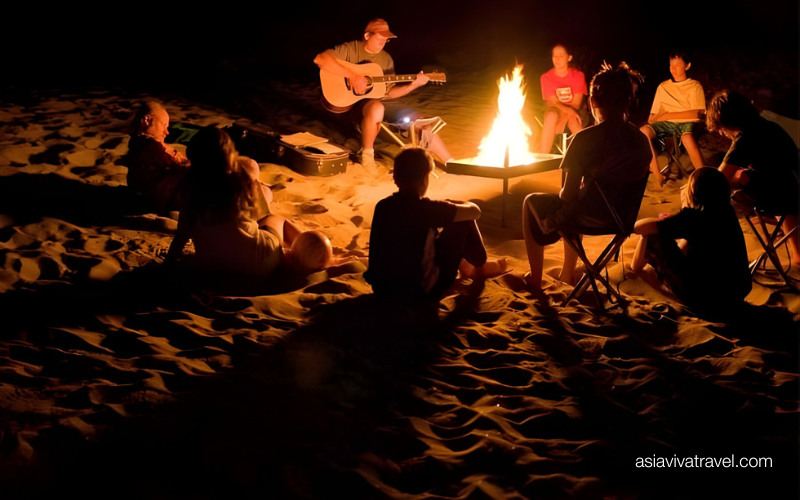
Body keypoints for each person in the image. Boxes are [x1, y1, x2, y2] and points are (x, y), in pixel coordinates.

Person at [522, 61, 651, 297]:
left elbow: (568, 195)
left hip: (587, 217)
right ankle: (567, 272)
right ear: (627, 100)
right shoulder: (641, 140)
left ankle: (535, 279)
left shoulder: (584, 139)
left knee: (533, 202)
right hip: (622, 220)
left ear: (593, 101)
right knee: (580, 200)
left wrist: (570, 193)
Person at [165, 126, 333, 278]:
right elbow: (261, 215)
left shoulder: (189, 191)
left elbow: (181, 237)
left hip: (213, 267)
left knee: (252, 225)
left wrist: (167, 265)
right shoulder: (240, 183)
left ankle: (305, 249)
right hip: (260, 264)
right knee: (275, 219)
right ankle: (311, 251)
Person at [364, 147, 506, 300]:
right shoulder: (427, 208)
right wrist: (454, 203)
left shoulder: (383, 206)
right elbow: (475, 211)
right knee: (462, 219)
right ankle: (479, 265)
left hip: (382, 289)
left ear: (396, 178)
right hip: (418, 290)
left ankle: (469, 265)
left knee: (437, 230)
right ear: (425, 178)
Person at [313, 18, 452, 169]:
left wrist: (414, 84)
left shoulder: (386, 59)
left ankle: (451, 163)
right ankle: (367, 154)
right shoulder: (351, 48)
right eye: (381, 37)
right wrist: (352, 76)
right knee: (376, 107)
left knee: (423, 122)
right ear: (367, 36)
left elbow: (390, 93)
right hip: (357, 103)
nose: (384, 41)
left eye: (387, 38)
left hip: (383, 101)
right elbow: (320, 59)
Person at [632, 167, 752, 311]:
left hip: (708, 299)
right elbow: (692, 233)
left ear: (694, 191)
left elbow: (637, 227)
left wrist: (660, 224)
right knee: (684, 238)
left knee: (652, 235)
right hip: (737, 293)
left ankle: (637, 272)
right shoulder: (725, 211)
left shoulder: (694, 217)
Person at [706, 89, 800, 267]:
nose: (721, 132)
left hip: (784, 195)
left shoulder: (745, 136)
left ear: (726, 120)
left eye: (720, 127)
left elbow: (719, 177)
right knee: (743, 175)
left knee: (729, 184)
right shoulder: (766, 125)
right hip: (791, 186)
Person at [640, 50, 706, 185]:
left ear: (687, 66)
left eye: (678, 65)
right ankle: (658, 175)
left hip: (686, 123)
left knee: (687, 137)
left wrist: (668, 114)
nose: (673, 69)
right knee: (643, 131)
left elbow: (696, 114)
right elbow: (652, 116)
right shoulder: (663, 87)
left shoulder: (694, 86)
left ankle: (704, 176)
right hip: (666, 123)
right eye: (671, 65)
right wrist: (658, 116)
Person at [123, 101, 190, 213]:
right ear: (146, 120)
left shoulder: (136, 144)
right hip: (162, 199)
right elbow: (180, 164)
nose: (166, 132)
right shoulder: (152, 145)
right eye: (163, 125)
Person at [538, 43, 589, 154]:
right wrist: (563, 115)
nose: (557, 59)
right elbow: (553, 102)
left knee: (572, 120)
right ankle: (542, 158)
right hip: (556, 112)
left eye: (561, 56)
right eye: (554, 56)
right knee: (551, 115)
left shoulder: (578, 75)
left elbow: (576, 105)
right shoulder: (546, 77)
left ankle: (587, 156)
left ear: (569, 57)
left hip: (577, 112)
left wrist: (563, 121)